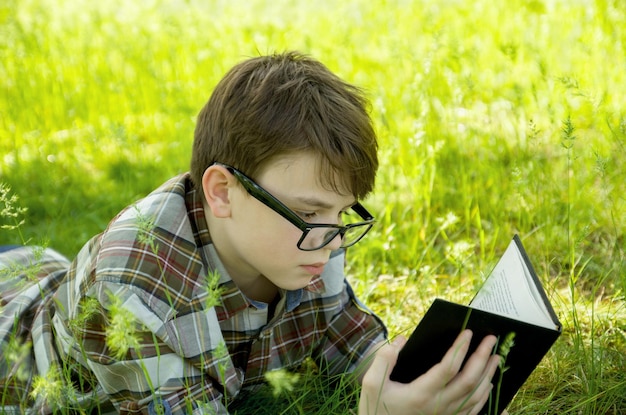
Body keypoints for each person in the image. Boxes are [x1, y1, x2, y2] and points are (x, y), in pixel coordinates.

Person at [0, 51, 503, 415]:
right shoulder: (131, 291)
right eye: (311, 214)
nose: (331, 242)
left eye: (341, 215)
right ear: (222, 193)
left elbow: (347, 341)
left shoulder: (306, 240)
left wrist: (416, 376)